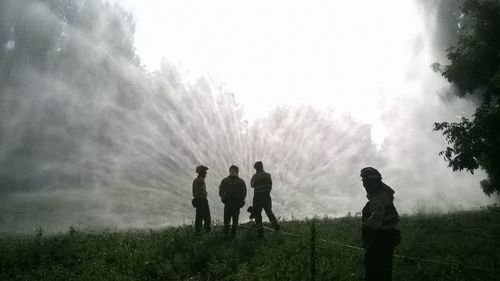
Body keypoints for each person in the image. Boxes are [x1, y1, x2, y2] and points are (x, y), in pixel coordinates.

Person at [360, 167, 401, 281]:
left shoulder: (379, 197)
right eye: (363, 181)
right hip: (385, 237)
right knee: (383, 272)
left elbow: (375, 223)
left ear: (373, 182)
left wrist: (365, 222)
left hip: (381, 239)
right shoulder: (381, 195)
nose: (364, 185)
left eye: (365, 181)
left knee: (375, 272)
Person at [250, 161, 280, 238]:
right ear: (262, 167)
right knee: (269, 212)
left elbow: (252, 185)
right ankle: (277, 227)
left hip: (257, 198)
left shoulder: (254, 176)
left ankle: (260, 234)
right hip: (267, 197)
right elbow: (270, 185)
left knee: (257, 215)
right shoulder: (268, 175)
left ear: (256, 168)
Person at [219, 165, 247, 239]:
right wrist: (223, 198)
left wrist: (242, 200)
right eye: (232, 170)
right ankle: (225, 235)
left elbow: (244, 192)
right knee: (226, 220)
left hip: (236, 204)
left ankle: (233, 236)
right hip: (228, 203)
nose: (234, 172)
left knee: (235, 220)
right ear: (230, 171)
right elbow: (221, 191)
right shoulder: (225, 180)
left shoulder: (241, 181)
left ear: (237, 172)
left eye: (235, 171)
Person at [192, 165, 211, 233]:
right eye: (205, 171)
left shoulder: (197, 180)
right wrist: (202, 200)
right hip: (201, 201)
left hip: (200, 201)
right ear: (201, 172)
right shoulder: (200, 181)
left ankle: (199, 232)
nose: (206, 173)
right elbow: (200, 193)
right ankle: (203, 233)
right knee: (205, 218)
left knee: (199, 218)